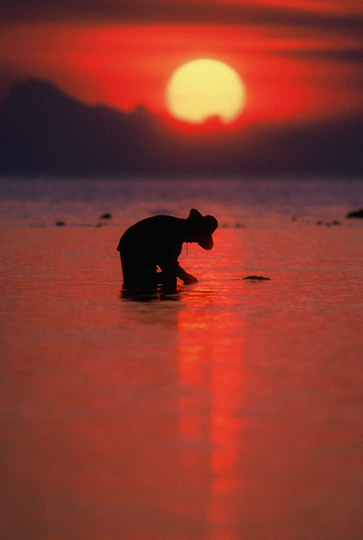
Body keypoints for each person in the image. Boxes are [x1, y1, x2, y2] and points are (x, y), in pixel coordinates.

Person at [117, 209, 218, 292]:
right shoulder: (174, 232)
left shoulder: (178, 231)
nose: (193, 241)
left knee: (140, 283)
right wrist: (186, 278)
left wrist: (184, 277)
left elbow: (169, 264)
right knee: (138, 283)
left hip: (134, 244)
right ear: (194, 232)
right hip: (133, 245)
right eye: (197, 238)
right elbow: (167, 264)